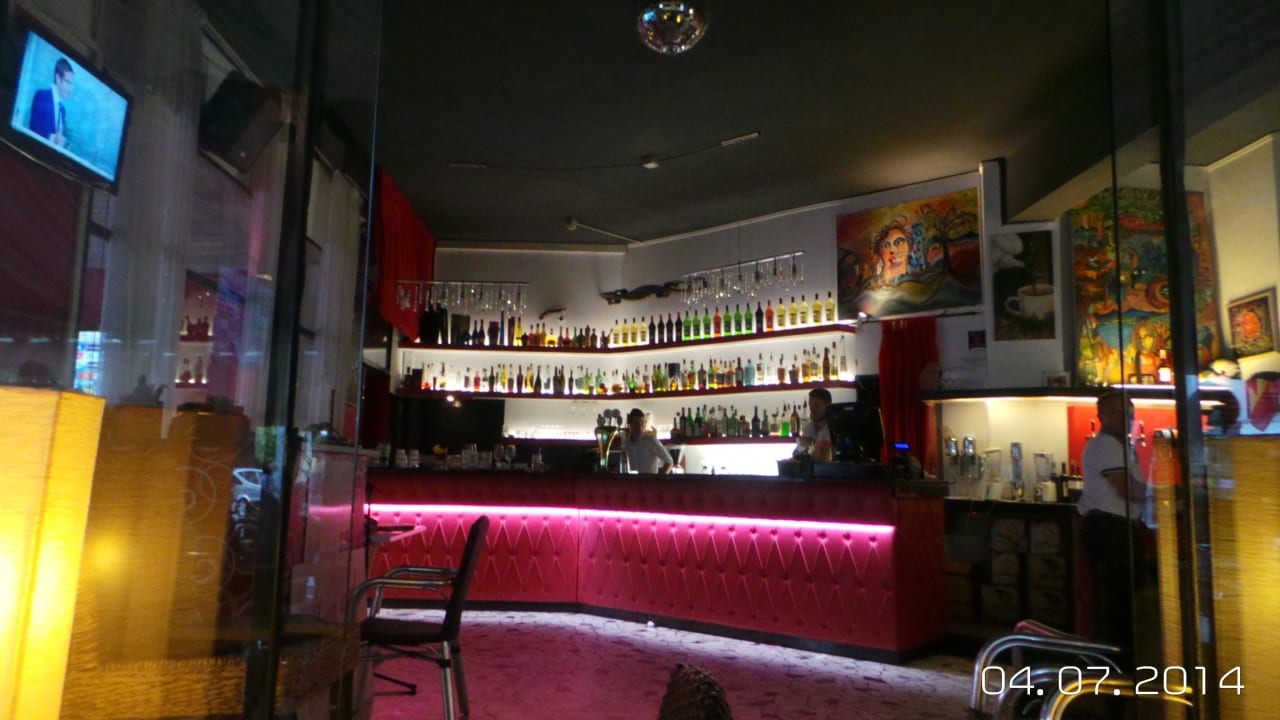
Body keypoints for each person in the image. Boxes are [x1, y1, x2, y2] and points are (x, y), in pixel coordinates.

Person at [1078, 390, 1147, 650]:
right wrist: (1168, 493)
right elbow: (1126, 487)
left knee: (1117, 600)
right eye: (1116, 412)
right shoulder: (1105, 445)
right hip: (1109, 529)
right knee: (1115, 603)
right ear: (1102, 417)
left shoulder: (1119, 446)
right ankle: (1114, 660)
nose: (1125, 417)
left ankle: (1114, 657)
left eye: (1128, 412)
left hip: (1112, 527)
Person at [29, 57, 74, 147]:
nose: (71, 88)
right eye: (67, 82)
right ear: (58, 78)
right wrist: (53, 138)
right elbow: (33, 128)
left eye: (71, 84)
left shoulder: (62, 110)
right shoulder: (42, 96)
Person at [622, 407, 673, 474]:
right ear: (630, 424)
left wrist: (660, 479)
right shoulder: (626, 443)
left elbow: (669, 461)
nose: (640, 427)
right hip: (631, 479)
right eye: (636, 424)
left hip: (649, 479)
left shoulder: (651, 440)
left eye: (642, 423)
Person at [792, 387, 832, 459]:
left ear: (828, 406)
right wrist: (798, 452)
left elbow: (830, 455)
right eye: (810, 406)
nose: (813, 410)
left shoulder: (835, 429)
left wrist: (812, 444)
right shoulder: (809, 428)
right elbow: (797, 453)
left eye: (817, 406)